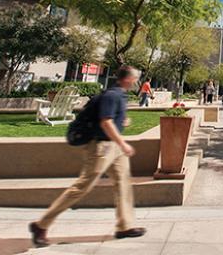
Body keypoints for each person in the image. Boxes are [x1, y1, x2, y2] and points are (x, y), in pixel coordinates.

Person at [29, 66, 146, 247]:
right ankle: (41, 225)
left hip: (113, 147)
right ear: (127, 79)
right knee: (82, 187)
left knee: (123, 183)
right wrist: (123, 143)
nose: (137, 81)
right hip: (101, 147)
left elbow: (111, 119)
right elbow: (105, 122)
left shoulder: (120, 96)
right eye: (135, 78)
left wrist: (123, 122)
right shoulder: (112, 95)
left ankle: (125, 226)